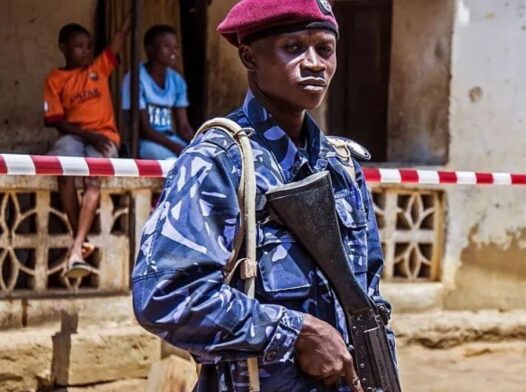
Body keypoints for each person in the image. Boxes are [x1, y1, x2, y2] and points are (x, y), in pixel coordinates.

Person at [131, 0, 396, 391]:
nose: (314, 64)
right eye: (293, 48)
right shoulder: (219, 162)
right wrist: (295, 333)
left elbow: (368, 300)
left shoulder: (340, 164)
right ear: (249, 57)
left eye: (325, 49)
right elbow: (164, 296)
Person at [43, 17, 131, 279]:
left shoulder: (99, 69)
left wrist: (126, 19)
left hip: (104, 137)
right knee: (64, 174)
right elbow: (55, 121)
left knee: (94, 180)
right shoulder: (55, 79)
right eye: (79, 46)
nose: (86, 51)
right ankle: (79, 244)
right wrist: (87, 135)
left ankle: (76, 248)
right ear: (63, 47)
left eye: (88, 46)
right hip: (75, 135)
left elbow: (120, 35)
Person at [122, 25, 194, 160]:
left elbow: (184, 127)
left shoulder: (176, 80)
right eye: (167, 46)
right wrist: (176, 147)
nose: (173, 52)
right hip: (145, 143)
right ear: (150, 49)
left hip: (170, 140)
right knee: (173, 163)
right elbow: (144, 129)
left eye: (176, 47)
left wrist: (198, 144)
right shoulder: (136, 78)